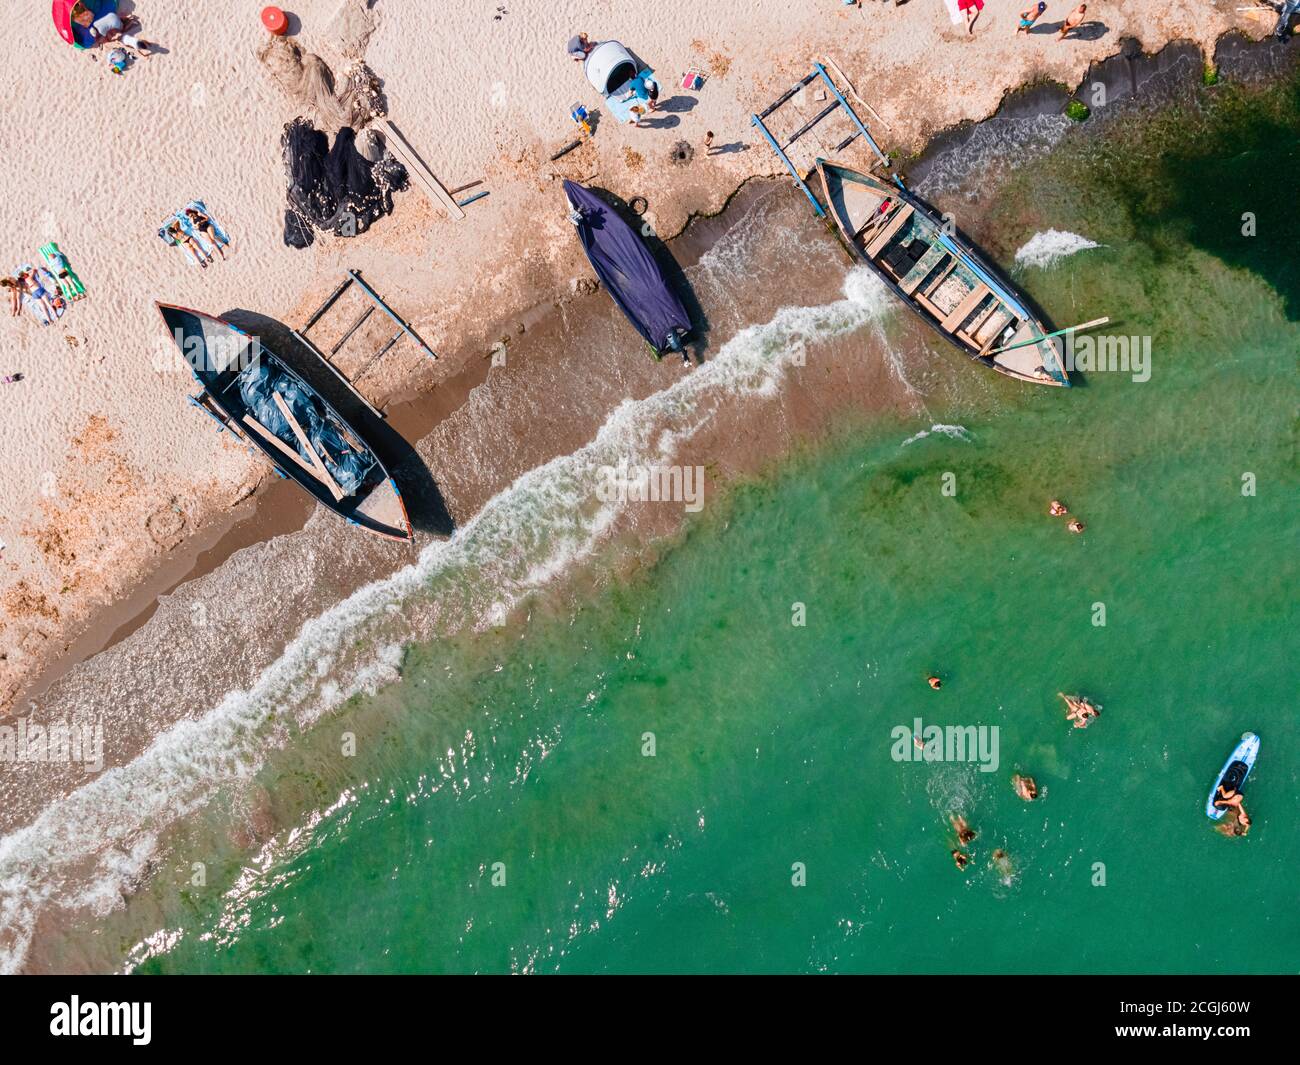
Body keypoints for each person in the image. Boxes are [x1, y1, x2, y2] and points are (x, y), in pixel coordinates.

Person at [71, 4, 153, 56]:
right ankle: (128, 28)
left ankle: (130, 35)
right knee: (114, 31)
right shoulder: (86, 10)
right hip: (111, 16)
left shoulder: (94, 32)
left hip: (108, 24)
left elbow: (102, 39)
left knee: (117, 33)